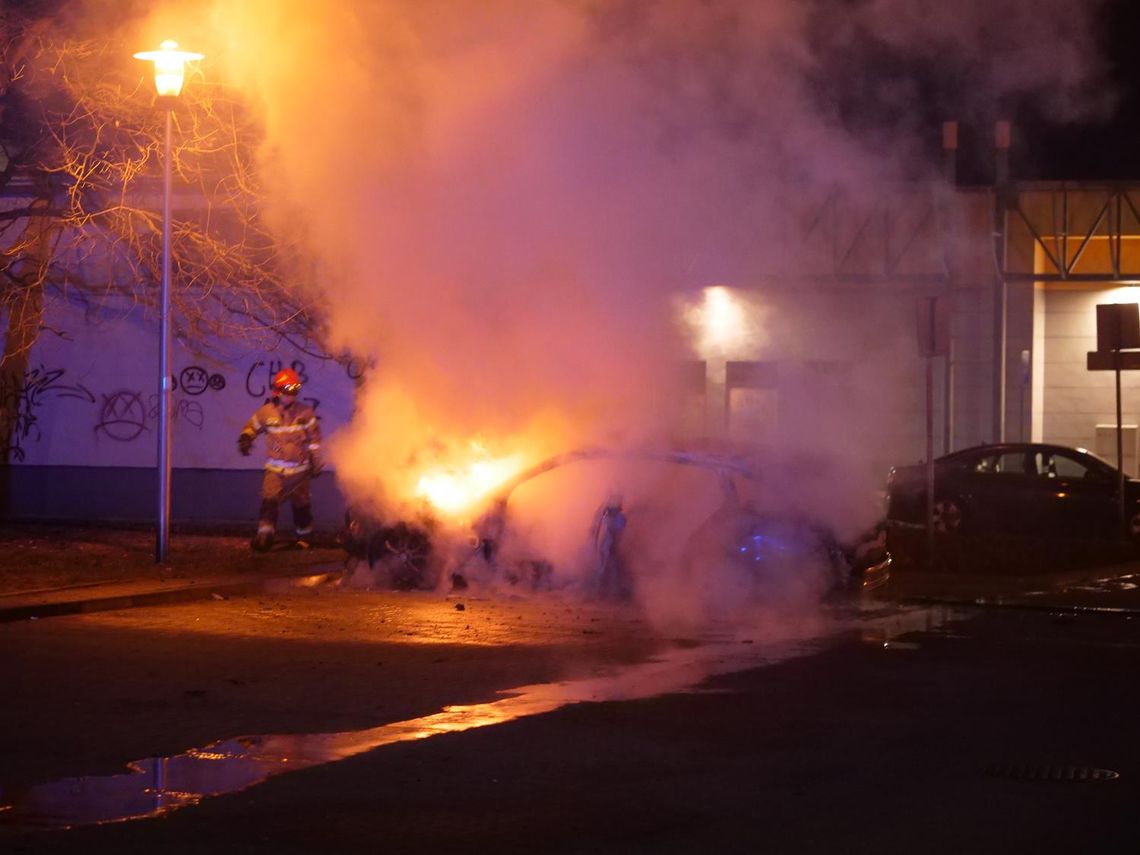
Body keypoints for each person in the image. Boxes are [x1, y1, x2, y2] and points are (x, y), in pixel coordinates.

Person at [238, 368, 322, 552]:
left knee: (302, 506)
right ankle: (265, 536)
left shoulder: (305, 413)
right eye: (287, 391)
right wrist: (246, 438)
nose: (291, 396)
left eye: (294, 391)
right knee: (269, 500)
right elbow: (252, 427)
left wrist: (316, 460)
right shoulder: (266, 412)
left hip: (300, 471)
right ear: (276, 391)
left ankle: (304, 537)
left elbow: (315, 439)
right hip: (275, 470)